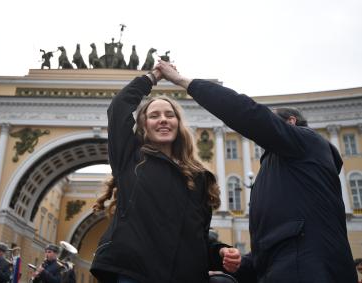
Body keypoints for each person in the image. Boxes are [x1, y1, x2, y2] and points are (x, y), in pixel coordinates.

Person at [156, 60, 358, 282]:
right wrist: (242, 263)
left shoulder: (307, 142)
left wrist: (182, 81)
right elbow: (273, 243)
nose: (265, 124)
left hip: (309, 271)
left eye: (272, 119)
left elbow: (249, 114)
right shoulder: (276, 170)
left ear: (291, 122)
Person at [90, 70, 241, 283]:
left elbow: (195, 240)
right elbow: (119, 107)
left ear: (178, 124)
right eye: (154, 115)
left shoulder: (198, 177)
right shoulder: (130, 158)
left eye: (169, 115)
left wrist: (220, 253)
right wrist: (152, 76)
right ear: (143, 126)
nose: (163, 120)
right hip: (135, 275)